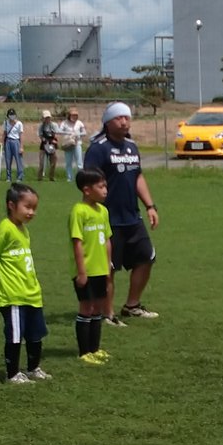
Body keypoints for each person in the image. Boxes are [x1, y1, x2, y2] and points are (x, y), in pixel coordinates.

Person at [84, 102, 160, 322]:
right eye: (119, 118)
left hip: (132, 217)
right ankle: (108, 314)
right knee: (108, 268)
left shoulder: (131, 146)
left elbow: (138, 177)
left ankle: (132, 305)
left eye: (127, 117)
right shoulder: (98, 148)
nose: (125, 122)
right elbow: (88, 182)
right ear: (108, 122)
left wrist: (150, 206)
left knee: (147, 258)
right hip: (108, 219)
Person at [0, 182, 48, 382]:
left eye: (34, 208)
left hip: (31, 292)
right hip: (13, 295)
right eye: (27, 207)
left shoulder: (23, 229)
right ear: (11, 205)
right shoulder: (5, 229)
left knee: (36, 334)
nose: (31, 212)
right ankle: (13, 373)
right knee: (15, 335)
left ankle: (33, 368)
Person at [70, 166, 113, 365]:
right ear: (87, 190)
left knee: (97, 308)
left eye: (105, 186)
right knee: (86, 308)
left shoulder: (103, 211)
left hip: (100, 269)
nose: (105, 190)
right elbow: (77, 242)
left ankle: (95, 349)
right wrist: (81, 271)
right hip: (85, 271)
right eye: (101, 186)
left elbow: (107, 240)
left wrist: (108, 266)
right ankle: (84, 351)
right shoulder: (79, 212)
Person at [58, 107, 87, 186]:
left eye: (76, 115)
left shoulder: (79, 123)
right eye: (73, 115)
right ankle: (69, 178)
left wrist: (78, 134)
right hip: (68, 143)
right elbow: (59, 131)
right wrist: (68, 132)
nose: (74, 117)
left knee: (79, 162)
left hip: (77, 143)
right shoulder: (64, 123)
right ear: (69, 115)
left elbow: (84, 132)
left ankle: (80, 178)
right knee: (68, 162)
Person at [1, 108, 24, 182]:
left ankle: (20, 176)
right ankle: (8, 177)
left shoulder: (19, 123)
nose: (12, 116)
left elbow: (21, 135)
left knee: (18, 160)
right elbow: (4, 133)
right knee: (8, 160)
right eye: (10, 115)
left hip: (16, 141)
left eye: (13, 114)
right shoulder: (6, 123)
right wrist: (2, 142)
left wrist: (21, 146)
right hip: (8, 141)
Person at [38, 110, 58, 181]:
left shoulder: (54, 125)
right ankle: (40, 178)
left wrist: (53, 141)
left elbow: (55, 135)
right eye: (46, 117)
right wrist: (45, 140)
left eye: (48, 117)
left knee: (53, 162)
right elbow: (40, 136)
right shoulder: (41, 126)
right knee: (41, 163)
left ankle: (51, 177)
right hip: (43, 145)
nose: (47, 119)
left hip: (52, 144)